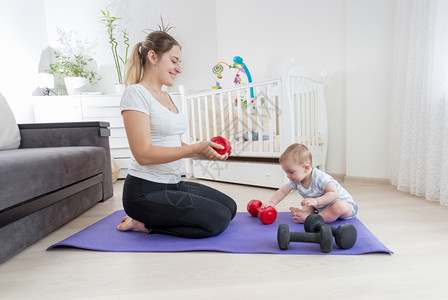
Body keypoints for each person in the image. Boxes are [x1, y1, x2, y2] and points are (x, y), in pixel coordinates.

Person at [117, 30, 237, 238]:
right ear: (153, 57)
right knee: (217, 221)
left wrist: (203, 151)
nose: (178, 69)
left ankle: (151, 218)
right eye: (174, 61)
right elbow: (143, 154)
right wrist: (193, 148)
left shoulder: (168, 96)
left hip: (172, 184)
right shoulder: (135, 93)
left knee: (230, 208)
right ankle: (143, 223)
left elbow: (173, 143)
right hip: (144, 192)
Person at [261, 143, 358, 223]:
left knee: (338, 206)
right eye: (286, 172)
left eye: (291, 172)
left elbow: (334, 193)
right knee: (307, 203)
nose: (288, 175)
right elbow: (283, 191)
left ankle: (311, 219)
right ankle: (308, 214)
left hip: (345, 207)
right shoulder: (297, 180)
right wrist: (272, 202)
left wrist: (316, 201)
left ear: (306, 168)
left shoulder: (320, 177)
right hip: (322, 209)